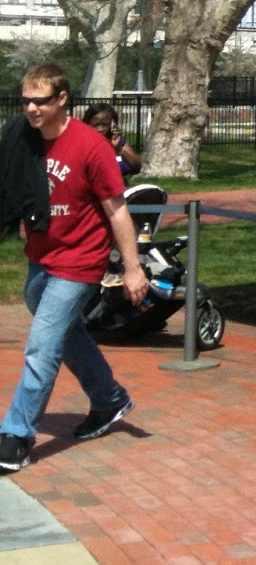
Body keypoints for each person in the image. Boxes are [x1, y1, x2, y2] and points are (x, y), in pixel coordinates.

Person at [0, 63, 149, 473]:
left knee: (42, 346)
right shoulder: (23, 140)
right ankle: (109, 399)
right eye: (25, 100)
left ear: (62, 99)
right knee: (65, 335)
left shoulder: (90, 146)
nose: (30, 109)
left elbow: (117, 211)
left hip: (80, 261)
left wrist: (133, 268)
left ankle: (16, 435)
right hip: (42, 258)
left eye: (40, 101)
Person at [83, 104, 141, 179]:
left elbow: (136, 167)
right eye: (96, 125)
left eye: (105, 124)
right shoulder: (82, 144)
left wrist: (119, 149)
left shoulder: (117, 141)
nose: (100, 129)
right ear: (87, 124)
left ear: (112, 123)